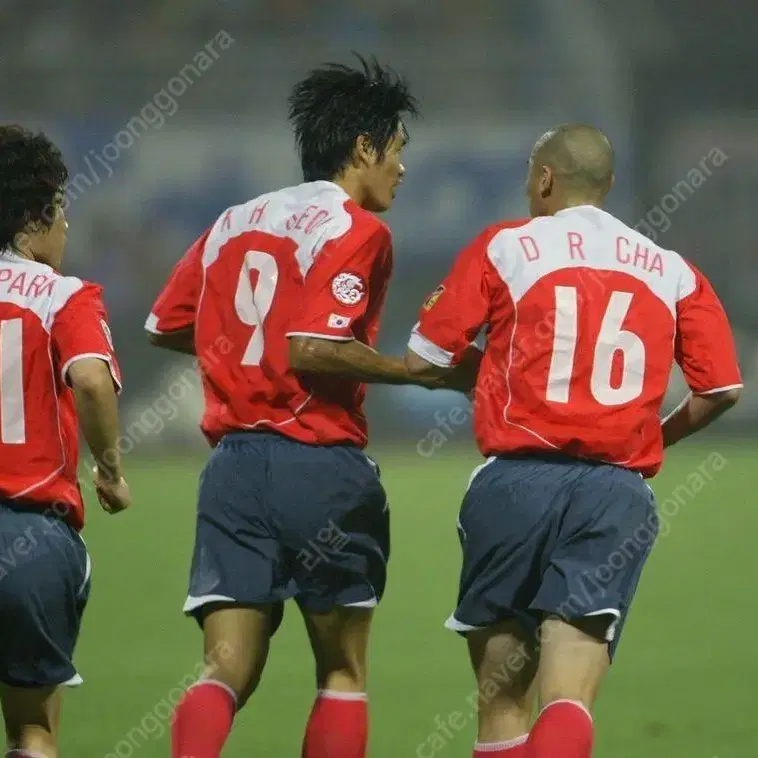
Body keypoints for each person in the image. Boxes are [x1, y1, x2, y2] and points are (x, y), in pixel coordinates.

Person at [146, 55, 462, 758]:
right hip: (317, 462)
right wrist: (417, 375)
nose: (402, 169)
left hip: (233, 469)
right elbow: (313, 348)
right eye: (399, 150)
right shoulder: (358, 230)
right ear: (363, 148)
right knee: (342, 670)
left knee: (225, 669)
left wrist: (235, 356)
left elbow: (167, 325)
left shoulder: (236, 219)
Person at [405, 123, 743, 758]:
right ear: (609, 186)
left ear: (544, 178)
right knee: (569, 699)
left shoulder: (504, 246)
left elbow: (425, 360)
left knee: (503, 702)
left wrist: (494, 378)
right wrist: (655, 437)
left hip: (513, 487)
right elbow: (721, 389)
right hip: (615, 494)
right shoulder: (672, 270)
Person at [0, 124, 131, 758]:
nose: (68, 227)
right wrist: (109, 469)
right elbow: (90, 379)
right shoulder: (63, 294)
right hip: (28, 537)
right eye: (63, 211)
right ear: (38, 215)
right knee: (32, 729)